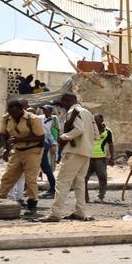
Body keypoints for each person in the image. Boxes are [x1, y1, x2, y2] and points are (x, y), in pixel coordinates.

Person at [41, 93, 97, 222]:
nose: (62, 106)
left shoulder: (73, 111)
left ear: (68, 101)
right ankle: (80, 212)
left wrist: (64, 137)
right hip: (86, 151)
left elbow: (79, 129)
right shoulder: (87, 112)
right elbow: (96, 134)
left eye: (63, 103)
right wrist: (85, 142)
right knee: (79, 183)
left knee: (62, 182)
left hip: (74, 152)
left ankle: (55, 214)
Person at [0, 99, 46, 215]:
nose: (13, 116)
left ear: (21, 110)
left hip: (33, 151)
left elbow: (41, 138)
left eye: (15, 113)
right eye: (11, 113)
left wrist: (20, 139)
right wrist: (0, 148)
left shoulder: (33, 119)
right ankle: (0, 200)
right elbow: (3, 134)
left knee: (30, 179)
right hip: (17, 151)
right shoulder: (7, 118)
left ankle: (31, 205)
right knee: (8, 176)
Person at [85, 115, 114, 203]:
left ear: (102, 120)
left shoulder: (107, 131)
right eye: (94, 121)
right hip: (88, 158)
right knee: (83, 178)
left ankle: (100, 197)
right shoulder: (89, 131)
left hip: (101, 159)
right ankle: (85, 197)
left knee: (102, 178)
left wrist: (112, 158)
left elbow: (111, 145)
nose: (96, 123)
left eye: (98, 121)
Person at [38, 108, 57, 198]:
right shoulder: (39, 118)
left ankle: (53, 189)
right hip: (39, 144)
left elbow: (50, 133)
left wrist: (53, 144)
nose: (44, 112)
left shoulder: (54, 119)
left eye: (46, 110)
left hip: (43, 145)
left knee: (46, 168)